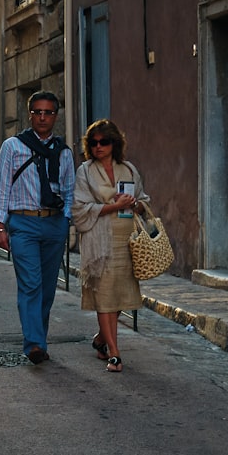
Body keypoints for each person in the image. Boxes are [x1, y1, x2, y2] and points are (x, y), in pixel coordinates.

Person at [0, 90, 75, 364]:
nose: (42, 117)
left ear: (56, 116)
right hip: (23, 223)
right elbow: (1, 188)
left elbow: (70, 191)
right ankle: (34, 344)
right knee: (31, 284)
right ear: (30, 115)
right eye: (37, 112)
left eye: (48, 112)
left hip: (53, 223)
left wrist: (66, 222)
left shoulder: (63, 152)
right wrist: (0, 227)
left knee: (48, 288)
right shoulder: (12, 146)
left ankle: (40, 339)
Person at [71, 119, 149, 373]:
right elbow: (79, 209)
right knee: (104, 296)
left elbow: (144, 203)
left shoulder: (128, 169)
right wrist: (114, 206)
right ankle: (114, 353)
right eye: (93, 143)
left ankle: (101, 340)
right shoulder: (85, 171)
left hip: (127, 241)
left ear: (114, 143)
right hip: (99, 242)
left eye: (104, 142)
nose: (98, 147)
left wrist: (134, 203)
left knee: (119, 296)